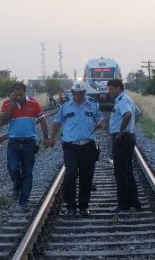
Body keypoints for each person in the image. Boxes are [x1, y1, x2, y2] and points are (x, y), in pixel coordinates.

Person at [49, 80, 103, 216]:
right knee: (71, 174)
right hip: (70, 146)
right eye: (76, 93)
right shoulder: (65, 106)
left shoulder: (93, 104)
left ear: (85, 92)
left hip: (88, 146)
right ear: (72, 92)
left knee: (87, 177)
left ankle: (83, 206)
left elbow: (99, 117)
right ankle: (70, 206)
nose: (79, 96)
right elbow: (57, 122)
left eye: (81, 93)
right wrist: (51, 138)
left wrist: (99, 122)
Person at [0, 82, 50, 211]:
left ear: (25, 92)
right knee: (13, 169)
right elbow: (2, 120)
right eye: (16, 95)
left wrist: (46, 137)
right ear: (12, 94)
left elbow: (42, 120)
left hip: (29, 143)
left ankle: (24, 201)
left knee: (27, 173)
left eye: (21, 94)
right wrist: (11, 104)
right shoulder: (7, 103)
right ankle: (17, 186)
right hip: (13, 143)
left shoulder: (34, 103)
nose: (19, 97)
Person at [107, 78, 141, 213]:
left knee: (120, 172)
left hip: (122, 139)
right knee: (127, 171)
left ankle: (123, 203)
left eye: (110, 89)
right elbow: (137, 114)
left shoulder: (122, 100)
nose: (109, 92)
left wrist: (121, 132)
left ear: (117, 88)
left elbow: (128, 114)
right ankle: (134, 202)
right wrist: (131, 128)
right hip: (128, 137)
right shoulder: (128, 98)